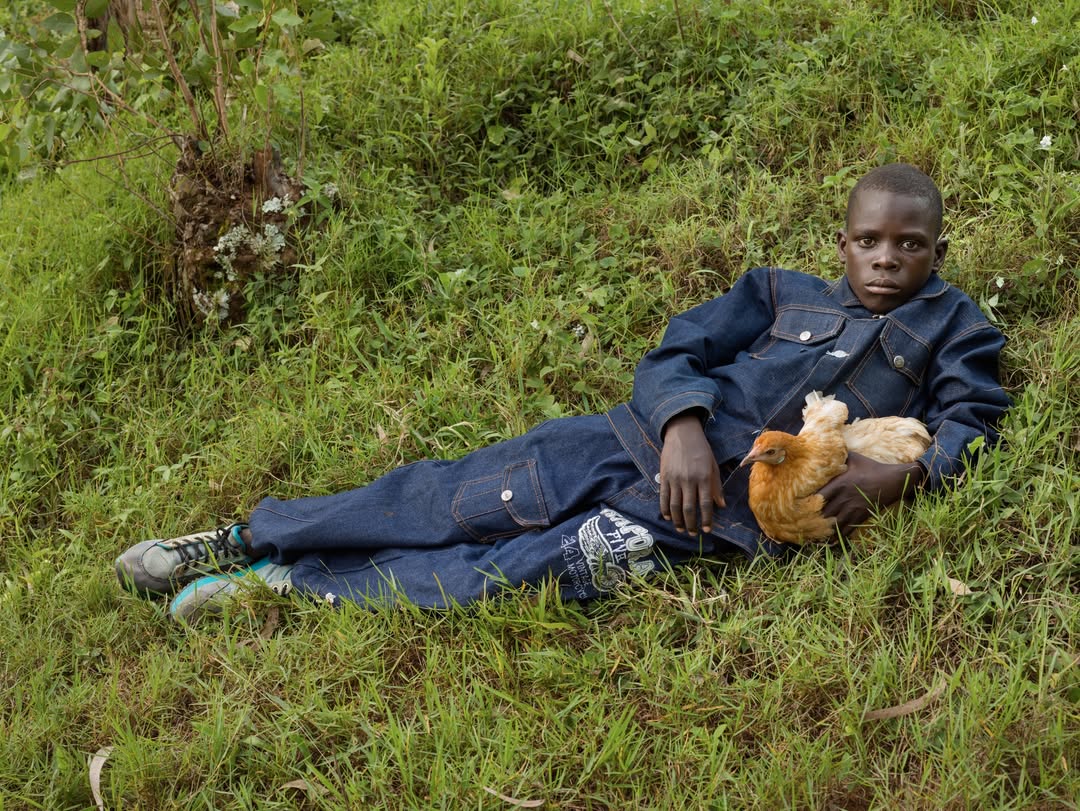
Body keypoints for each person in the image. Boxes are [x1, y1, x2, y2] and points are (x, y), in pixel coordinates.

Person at [115, 163, 1010, 621]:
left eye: (910, 246)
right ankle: (244, 535)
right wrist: (681, 425)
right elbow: (679, 348)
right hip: (621, 445)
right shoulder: (781, 291)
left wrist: (905, 477)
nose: (886, 260)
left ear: (938, 249)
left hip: (706, 524)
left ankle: (278, 584)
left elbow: (974, 418)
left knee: (504, 576)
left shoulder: (956, 326)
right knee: (447, 500)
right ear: (842, 243)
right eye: (868, 241)